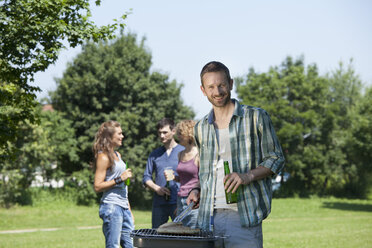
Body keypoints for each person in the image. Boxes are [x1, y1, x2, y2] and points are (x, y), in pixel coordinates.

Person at [187, 61, 285, 248]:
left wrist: (247, 176)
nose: (217, 91)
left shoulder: (256, 117)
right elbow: (207, 171)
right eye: (211, 87)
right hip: (208, 219)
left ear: (231, 84)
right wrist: (197, 189)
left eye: (222, 85)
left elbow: (276, 158)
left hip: (244, 217)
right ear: (203, 90)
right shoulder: (200, 127)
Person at [93, 120, 134, 248]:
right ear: (110, 136)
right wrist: (119, 179)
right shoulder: (103, 157)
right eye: (120, 134)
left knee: (130, 245)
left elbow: (123, 187)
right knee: (113, 246)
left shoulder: (118, 155)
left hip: (124, 206)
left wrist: (129, 209)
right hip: (112, 206)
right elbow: (97, 186)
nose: (122, 136)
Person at [142, 118, 185, 228]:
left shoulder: (184, 151)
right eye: (159, 133)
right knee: (157, 237)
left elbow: (191, 177)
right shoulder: (154, 154)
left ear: (173, 131)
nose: (162, 136)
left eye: (165, 132)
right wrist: (157, 188)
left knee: (181, 238)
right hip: (159, 203)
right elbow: (146, 177)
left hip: (179, 203)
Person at [164, 120, 199, 228]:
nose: (178, 136)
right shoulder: (180, 154)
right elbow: (184, 179)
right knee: (182, 232)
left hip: (194, 200)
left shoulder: (199, 154)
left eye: (180, 133)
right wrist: (175, 178)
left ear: (189, 134)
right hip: (180, 199)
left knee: (193, 233)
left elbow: (202, 179)